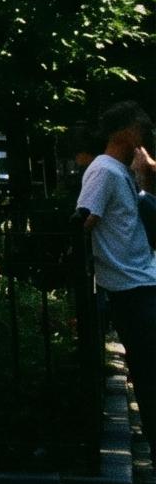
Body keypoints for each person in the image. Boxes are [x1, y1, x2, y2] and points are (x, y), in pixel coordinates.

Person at [80, 102, 156, 422]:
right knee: (150, 373)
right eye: (141, 127)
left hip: (142, 282)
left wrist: (146, 179)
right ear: (125, 131)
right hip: (131, 288)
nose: (145, 134)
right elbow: (86, 218)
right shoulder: (103, 170)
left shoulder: (120, 171)